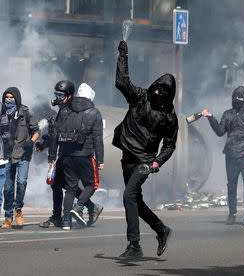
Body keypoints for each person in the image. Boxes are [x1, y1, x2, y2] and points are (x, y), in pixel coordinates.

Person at [113, 41, 178, 259]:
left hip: (145, 162)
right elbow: (122, 82)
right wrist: (124, 54)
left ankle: (134, 245)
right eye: (158, 90)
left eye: (164, 94)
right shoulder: (141, 97)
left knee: (128, 195)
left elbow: (170, 145)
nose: (159, 95)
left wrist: (157, 162)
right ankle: (161, 229)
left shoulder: (170, 118)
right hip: (127, 155)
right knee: (135, 201)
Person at [39, 82, 103, 228]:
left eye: (60, 96)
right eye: (56, 95)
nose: (57, 98)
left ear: (69, 96)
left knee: (69, 186)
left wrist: (52, 154)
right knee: (59, 185)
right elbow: (55, 133)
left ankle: (69, 214)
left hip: (70, 154)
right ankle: (65, 214)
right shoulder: (66, 109)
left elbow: (59, 133)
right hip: (65, 154)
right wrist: (49, 152)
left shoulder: (71, 109)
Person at [201, 86, 244, 226]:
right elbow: (219, 131)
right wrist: (210, 118)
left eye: (240, 97)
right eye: (235, 97)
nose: (237, 99)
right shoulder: (227, 114)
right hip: (231, 156)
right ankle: (232, 214)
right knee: (231, 186)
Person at [1, 87, 40, 229]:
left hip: (23, 154)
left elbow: (36, 131)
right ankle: (8, 216)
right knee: (8, 188)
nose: (9, 100)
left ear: (17, 98)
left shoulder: (26, 112)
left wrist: (31, 141)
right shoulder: (2, 113)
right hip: (8, 155)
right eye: (7, 97)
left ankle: (18, 209)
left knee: (22, 182)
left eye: (12, 97)